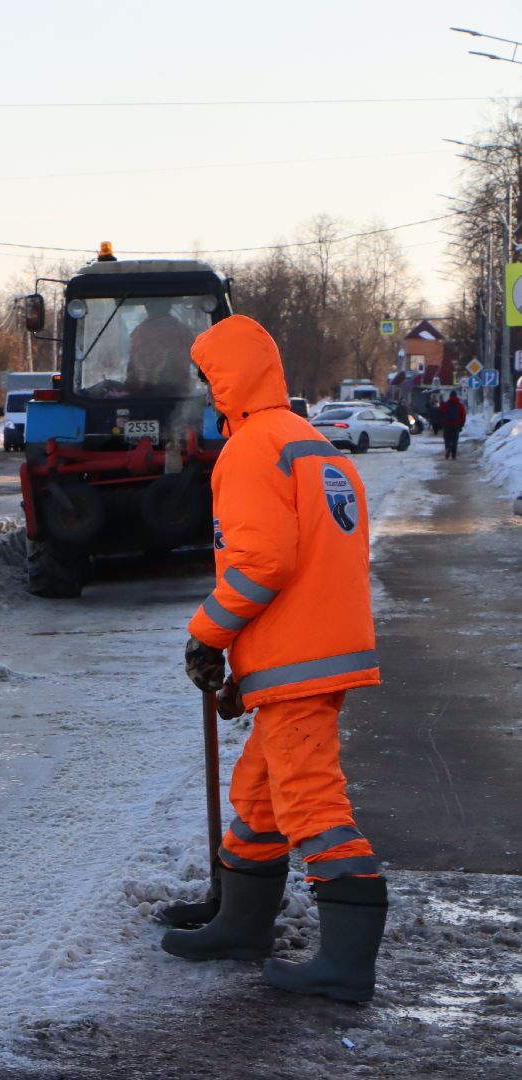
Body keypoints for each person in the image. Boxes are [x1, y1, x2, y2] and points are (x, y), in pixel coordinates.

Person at [163, 314, 387, 1004]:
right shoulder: (310, 442)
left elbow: (262, 561)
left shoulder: (253, 448)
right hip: (317, 651)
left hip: (295, 659)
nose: (204, 392)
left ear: (226, 379)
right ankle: (240, 925)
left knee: (309, 801)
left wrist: (209, 635)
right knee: (259, 795)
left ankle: (347, 965)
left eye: (207, 378)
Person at [127, 298, 196, 395]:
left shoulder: (139, 333)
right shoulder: (182, 331)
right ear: (169, 306)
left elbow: (132, 369)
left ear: (148, 308)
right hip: (178, 395)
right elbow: (200, 363)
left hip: (145, 394)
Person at [439, 391, 466, 460]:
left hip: (447, 425)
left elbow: (441, 411)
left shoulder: (446, 404)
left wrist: (442, 422)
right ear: (456, 396)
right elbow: (463, 415)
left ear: (450, 396)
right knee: (455, 439)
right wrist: (461, 424)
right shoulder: (460, 405)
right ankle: (453, 455)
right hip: (456, 425)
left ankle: (448, 447)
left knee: (447, 438)